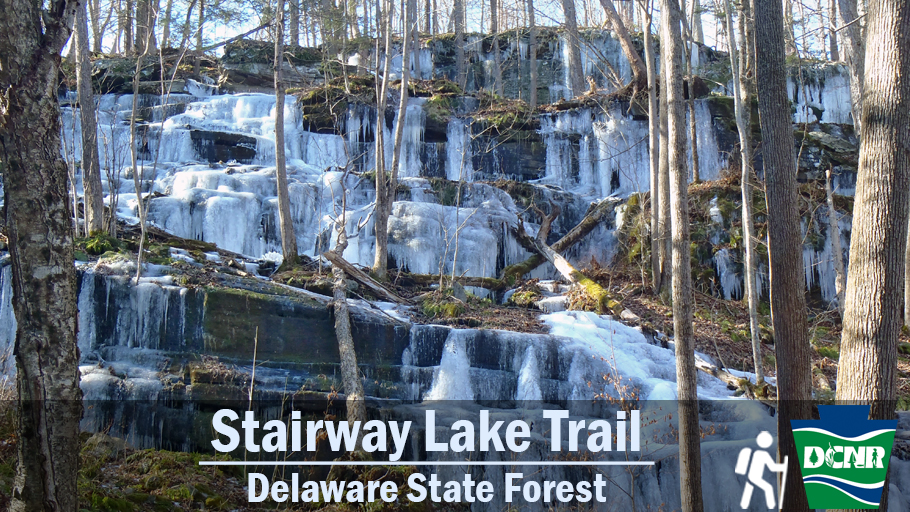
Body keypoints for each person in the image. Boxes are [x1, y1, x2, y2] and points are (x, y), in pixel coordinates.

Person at [735, 431, 787, 509]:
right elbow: (772, 467)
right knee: (768, 488)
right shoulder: (763, 454)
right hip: (755, 477)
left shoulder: (757, 452)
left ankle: (744, 506)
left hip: (751, 476)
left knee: (748, 491)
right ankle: (771, 507)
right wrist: (783, 467)